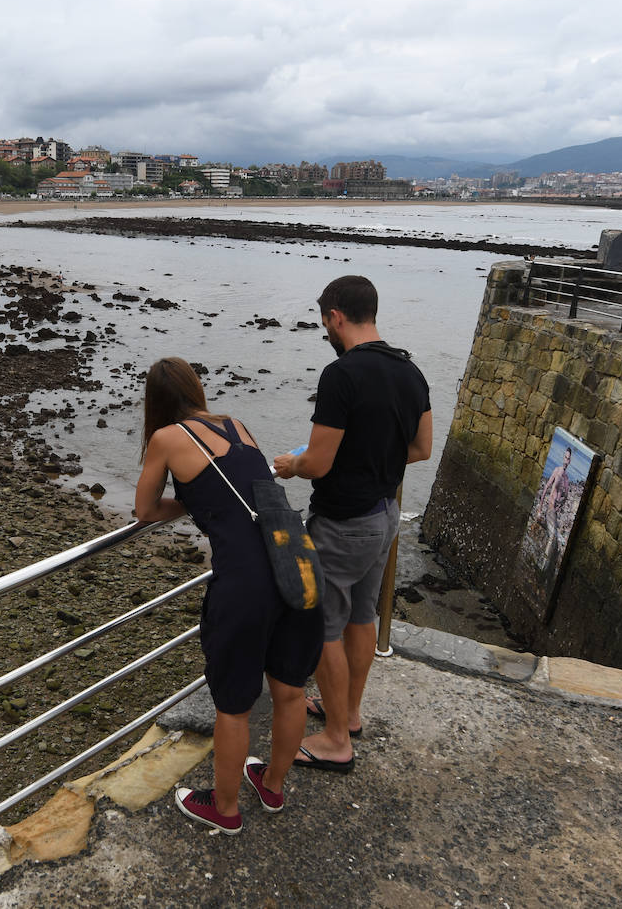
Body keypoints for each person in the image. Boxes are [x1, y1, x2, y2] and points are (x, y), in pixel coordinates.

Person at [134, 357, 323, 834]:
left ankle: (225, 809)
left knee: (234, 707)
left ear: (155, 402)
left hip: (244, 583)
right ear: (195, 388)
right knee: (291, 689)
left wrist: (191, 501)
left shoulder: (166, 437)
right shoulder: (237, 424)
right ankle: (273, 786)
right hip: (294, 562)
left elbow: (144, 508)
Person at [272, 275, 431, 774]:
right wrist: (369, 457)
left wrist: (290, 464)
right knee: (363, 616)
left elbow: (317, 463)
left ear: (336, 316)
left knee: (324, 627)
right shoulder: (410, 370)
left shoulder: (340, 375)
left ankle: (336, 739)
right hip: (385, 515)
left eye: (325, 320)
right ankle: (350, 713)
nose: (326, 329)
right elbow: (422, 449)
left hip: (343, 521)